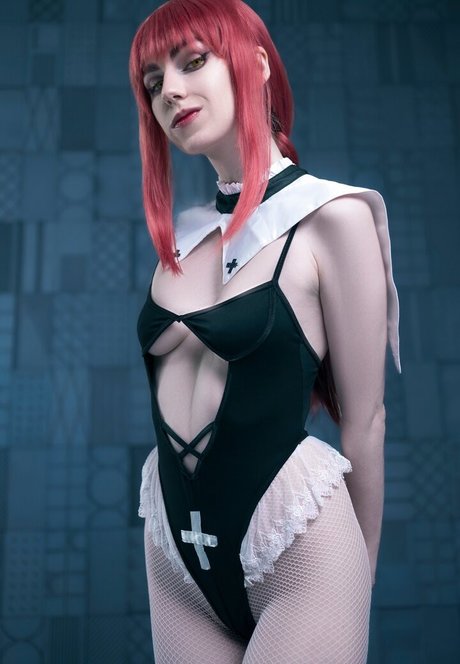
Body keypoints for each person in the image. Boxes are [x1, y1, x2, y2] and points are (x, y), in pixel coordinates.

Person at [129, 1, 401, 662]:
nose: (169, 91)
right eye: (153, 82)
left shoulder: (333, 218)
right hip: (175, 550)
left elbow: (365, 420)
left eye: (193, 61)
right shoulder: (187, 240)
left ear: (254, 65)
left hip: (298, 546)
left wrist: (359, 578)